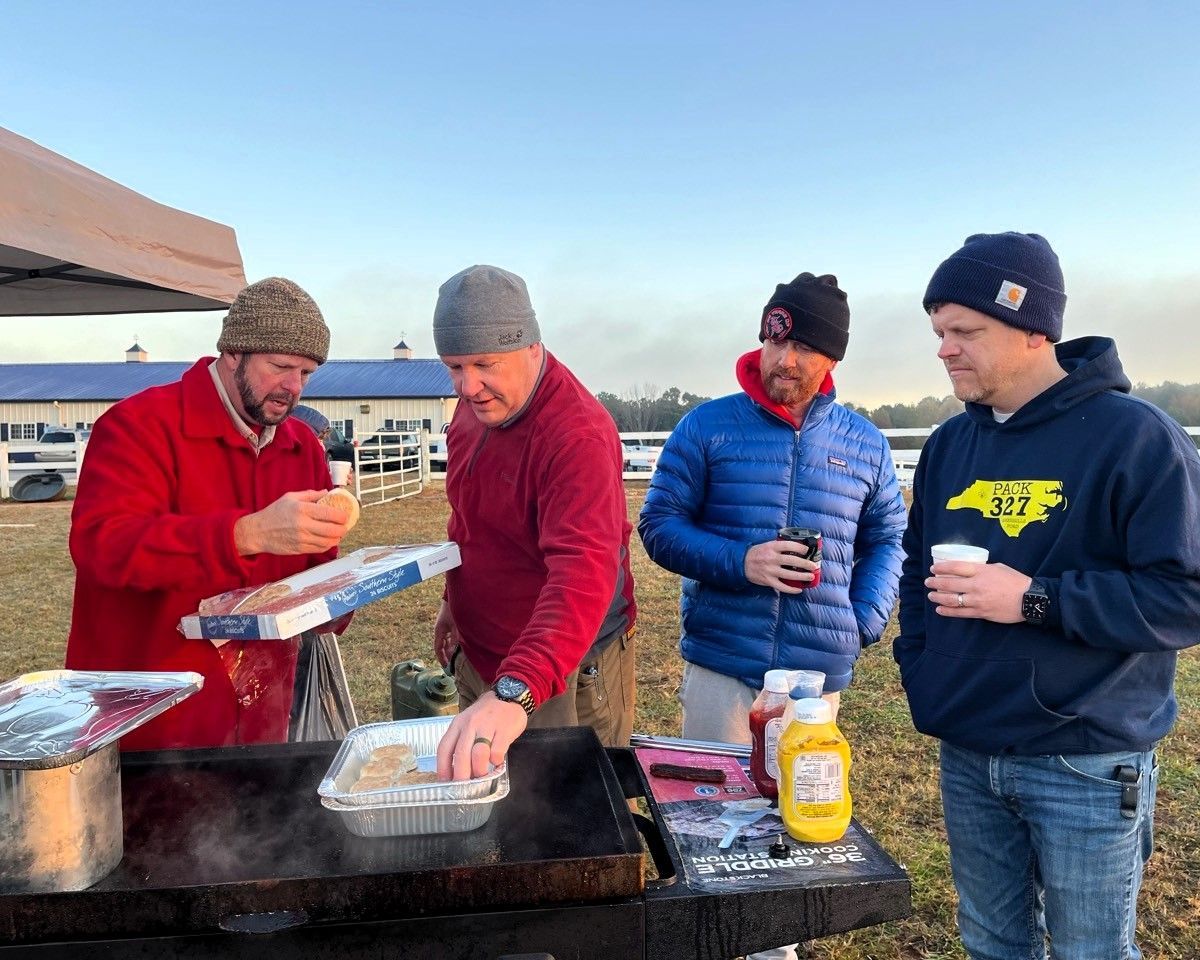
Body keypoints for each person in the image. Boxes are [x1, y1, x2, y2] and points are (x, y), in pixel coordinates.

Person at [895, 232, 1200, 960]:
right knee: (992, 944)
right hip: (967, 748)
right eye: (939, 331)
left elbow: (1184, 595)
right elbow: (914, 571)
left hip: (1085, 758)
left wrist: (1035, 600)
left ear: (1036, 330)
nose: (944, 349)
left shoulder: (1136, 439)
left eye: (965, 330)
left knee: (1092, 951)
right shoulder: (946, 446)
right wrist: (922, 666)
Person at [66, 277, 355, 751]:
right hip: (153, 718)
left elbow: (310, 571)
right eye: (281, 366)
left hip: (262, 715)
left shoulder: (300, 445)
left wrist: (341, 592)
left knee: (253, 823)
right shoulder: (139, 426)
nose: (293, 387)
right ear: (233, 353)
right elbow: (103, 548)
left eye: (307, 373)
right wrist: (245, 534)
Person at [639, 271, 906, 741]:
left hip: (815, 683)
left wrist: (860, 621)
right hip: (723, 669)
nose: (785, 360)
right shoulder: (706, 426)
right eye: (775, 341)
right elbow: (659, 525)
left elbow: (888, 539)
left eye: (804, 347)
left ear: (832, 358)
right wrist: (742, 562)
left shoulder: (865, 443)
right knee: (713, 810)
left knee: (801, 809)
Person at [430, 265, 636, 781]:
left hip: (561, 666)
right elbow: (468, 519)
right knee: (493, 807)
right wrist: (452, 604)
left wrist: (516, 687)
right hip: (485, 653)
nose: (468, 386)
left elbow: (583, 572)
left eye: (484, 364)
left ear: (530, 346)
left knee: (572, 823)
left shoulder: (576, 435)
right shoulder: (472, 409)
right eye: (454, 366)